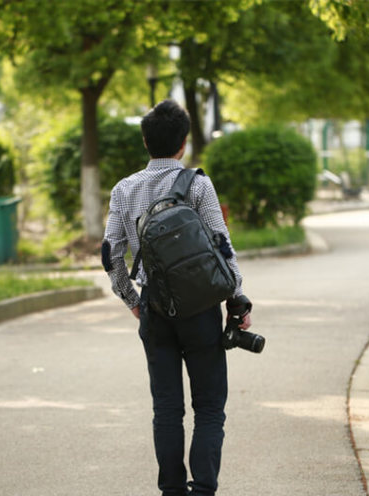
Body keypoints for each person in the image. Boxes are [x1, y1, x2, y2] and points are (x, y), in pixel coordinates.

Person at [101, 99, 251, 496]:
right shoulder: (197, 184)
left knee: (166, 409)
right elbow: (222, 245)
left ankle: (171, 490)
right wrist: (237, 299)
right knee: (209, 408)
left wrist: (133, 300)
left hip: (154, 307)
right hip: (201, 308)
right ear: (183, 144)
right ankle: (202, 489)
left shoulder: (124, 190)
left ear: (145, 141)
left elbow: (110, 254)